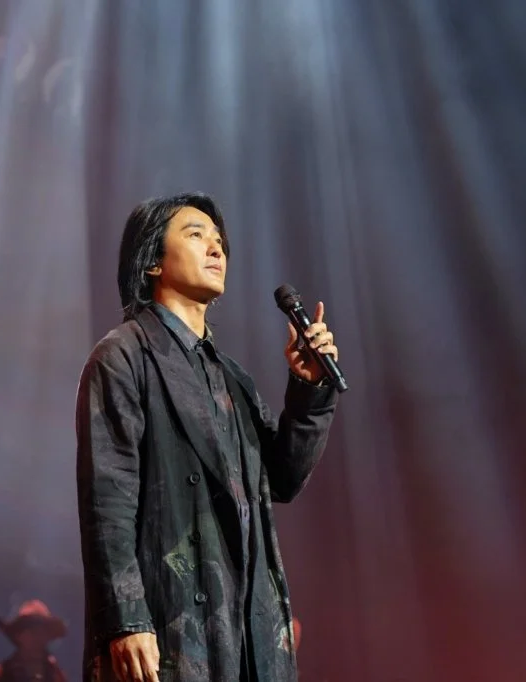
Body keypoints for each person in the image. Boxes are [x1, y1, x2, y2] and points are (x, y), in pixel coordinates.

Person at [75, 193, 341, 682]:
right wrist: (125, 620)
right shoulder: (124, 357)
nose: (217, 248)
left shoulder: (231, 378)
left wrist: (309, 390)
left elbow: (282, 478)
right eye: (196, 235)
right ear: (153, 261)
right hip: (170, 621)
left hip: (243, 627)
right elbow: (106, 502)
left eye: (219, 240)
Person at [0, 600, 68, 682]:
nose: (39, 638)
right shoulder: (1, 675)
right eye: (33, 632)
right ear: (19, 635)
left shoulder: (57, 675)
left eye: (43, 632)